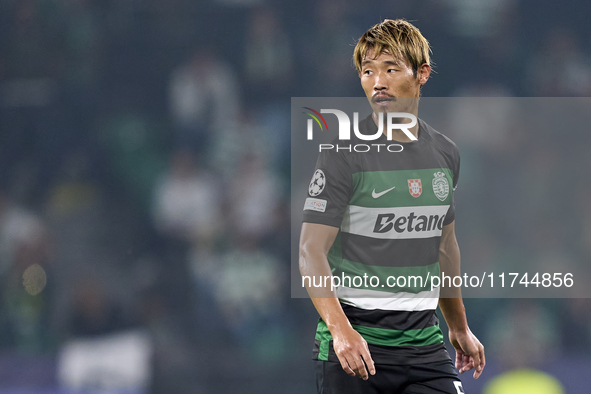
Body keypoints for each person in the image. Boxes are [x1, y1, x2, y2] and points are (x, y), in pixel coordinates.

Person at [299, 19, 485, 393]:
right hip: (357, 348)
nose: (377, 81)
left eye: (390, 69)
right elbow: (310, 250)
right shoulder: (343, 153)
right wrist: (341, 332)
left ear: (422, 74)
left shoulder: (445, 153)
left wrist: (459, 326)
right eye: (367, 71)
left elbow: (445, 246)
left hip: (425, 349)